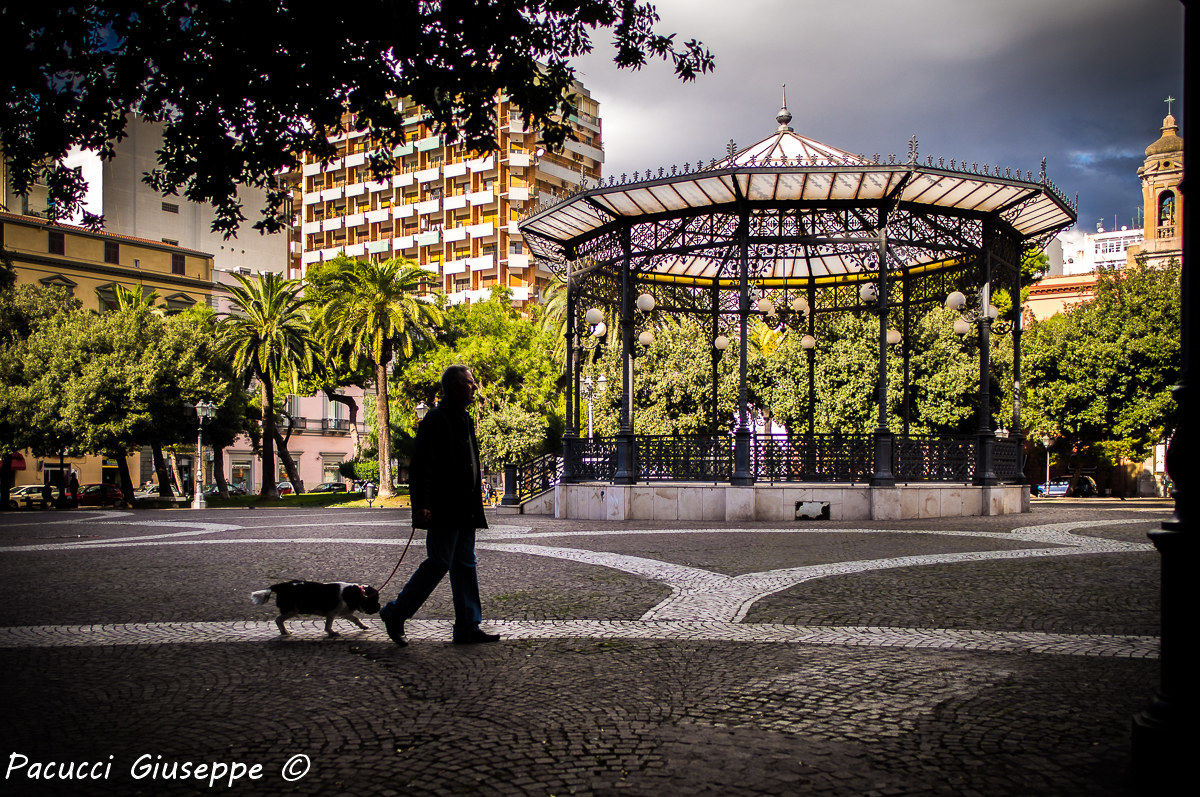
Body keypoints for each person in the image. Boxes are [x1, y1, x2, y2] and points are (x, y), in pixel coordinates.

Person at [380, 365, 498, 646]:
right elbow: (421, 467)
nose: (474, 388)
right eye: (469, 383)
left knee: (465, 564)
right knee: (439, 562)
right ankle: (396, 612)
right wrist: (421, 505)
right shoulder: (435, 420)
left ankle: (468, 626)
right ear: (455, 387)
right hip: (445, 507)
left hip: (465, 508)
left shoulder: (465, 420)